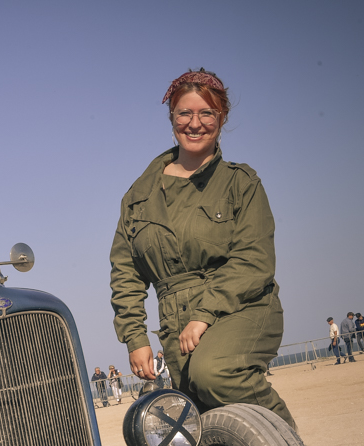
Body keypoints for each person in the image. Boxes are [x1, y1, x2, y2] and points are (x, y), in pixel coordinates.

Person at [109, 69, 294, 427]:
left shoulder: (241, 183)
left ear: (222, 118)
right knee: (199, 423)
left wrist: (204, 313)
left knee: (213, 374)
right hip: (174, 320)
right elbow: (125, 272)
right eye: (185, 113)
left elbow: (254, 261)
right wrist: (135, 337)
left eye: (206, 113)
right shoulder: (137, 196)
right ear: (172, 117)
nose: (195, 124)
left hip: (240, 306)